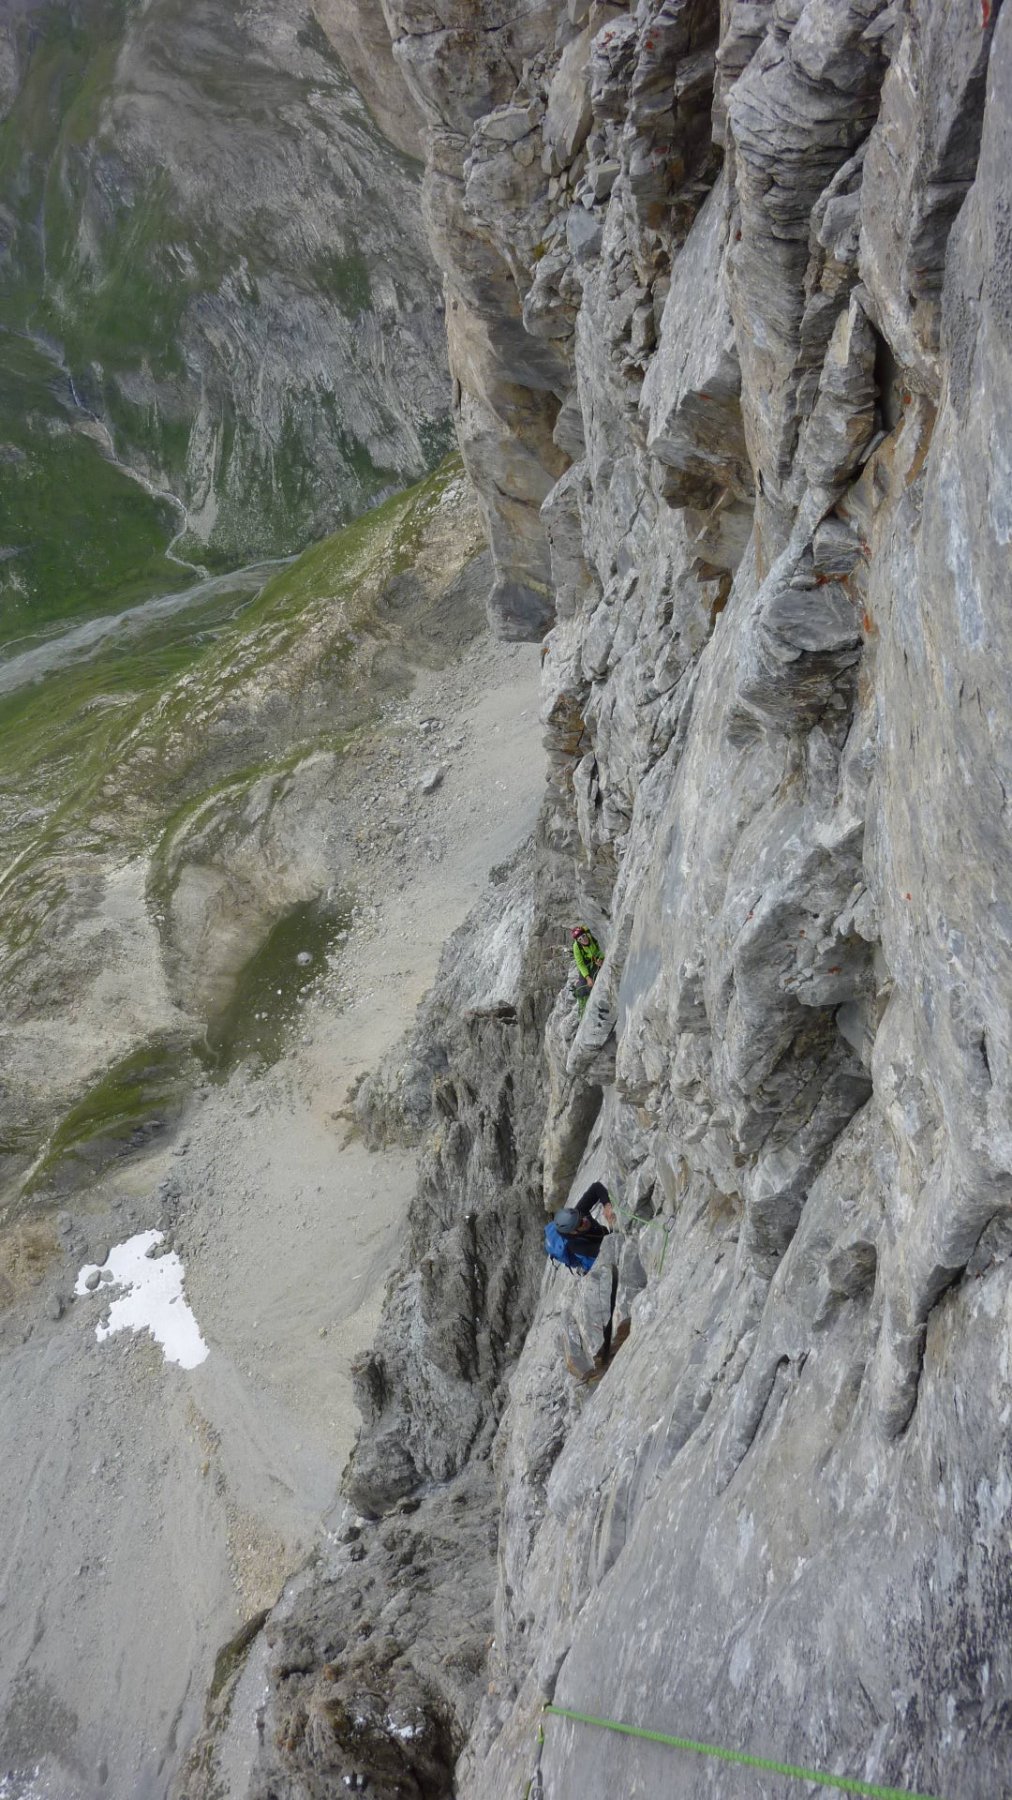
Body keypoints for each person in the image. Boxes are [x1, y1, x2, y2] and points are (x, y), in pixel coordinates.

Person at [552, 1181, 616, 1260]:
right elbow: (607, 1251)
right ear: (573, 1232)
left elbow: (596, 1187)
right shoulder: (576, 1246)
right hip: (600, 1248)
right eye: (580, 1223)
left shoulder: (577, 1214)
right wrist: (612, 1226)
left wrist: (607, 1204)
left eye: (581, 1216)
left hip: (603, 1233)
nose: (584, 1219)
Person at [570, 924, 603, 1013]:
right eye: (580, 939)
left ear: (586, 934)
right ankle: (577, 986)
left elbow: (603, 946)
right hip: (586, 962)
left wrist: (601, 958)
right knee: (584, 987)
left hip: (596, 958)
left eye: (583, 936)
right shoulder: (576, 947)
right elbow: (580, 964)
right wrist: (587, 978)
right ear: (577, 941)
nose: (583, 939)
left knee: (593, 983)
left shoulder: (592, 935)